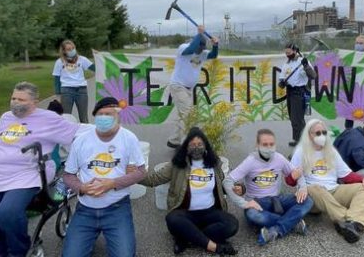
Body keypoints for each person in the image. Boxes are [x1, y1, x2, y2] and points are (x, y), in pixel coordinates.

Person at [0, 82, 81, 257]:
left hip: (28, 173)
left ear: (34, 101)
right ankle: (0, 251)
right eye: (13, 98)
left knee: (7, 213)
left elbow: (77, 135)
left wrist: (106, 140)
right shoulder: (6, 117)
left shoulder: (49, 119)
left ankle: (18, 251)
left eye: (21, 99)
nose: (15, 102)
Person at [61, 97, 146, 257]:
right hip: (86, 209)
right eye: (100, 114)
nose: (104, 117)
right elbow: (68, 175)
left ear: (118, 116)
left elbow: (141, 171)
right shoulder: (81, 141)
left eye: (109, 113)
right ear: (95, 116)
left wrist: (112, 183)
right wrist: (82, 187)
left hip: (117, 208)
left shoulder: (129, 138)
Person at [141, 127, 238, 255]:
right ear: (186, 146)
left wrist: (239, 188)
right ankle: (214, 246)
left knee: (232, 224)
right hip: (185, 213)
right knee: (172, 219)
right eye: (192, 144)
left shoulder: (214, 163)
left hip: (210, 212)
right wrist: (134, 175)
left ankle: (187, 237)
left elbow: (223, 187)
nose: (196, 147)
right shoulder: (177, 164)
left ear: (205, 145)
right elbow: (154, 179)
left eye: (199, 144)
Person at [289, 119, 364, 244]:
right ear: (309, 135)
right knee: (315, 188)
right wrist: (293, 176)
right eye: (317, 133)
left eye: (324, 132)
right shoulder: (301, 151)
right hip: (313, 197)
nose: (322, 136)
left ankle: (353, 224)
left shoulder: (331, 151)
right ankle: (356, 218)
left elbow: (346, 175)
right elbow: (290, 181)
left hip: (333, 191)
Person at [223, 129, 313, 245]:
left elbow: (297, 173)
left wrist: (302, 188)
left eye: (271, 144)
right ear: (257, 145)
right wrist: (243, 203)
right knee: (252, 215)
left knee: (308, 200)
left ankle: (276, 229)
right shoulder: (250, 161)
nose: (269, 148)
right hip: (257, 203)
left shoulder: (279, 158)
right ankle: (293, 223)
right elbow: (227, 181)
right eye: (265, 144)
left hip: (278, 200)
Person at [167, 26, 219, 148]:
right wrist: (199, 35)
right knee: (188, 115)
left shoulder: (202, 53)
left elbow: (213, 55)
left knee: (184, 115)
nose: (200, 50)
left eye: (203, 48)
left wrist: (215, 45)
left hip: (189, 89)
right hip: (178, 86)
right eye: (199, 47)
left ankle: (174, 140)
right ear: (195, 43)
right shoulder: (183, 48)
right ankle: (187, 145)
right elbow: (191, 49)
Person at [278, 43, 316, 146]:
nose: (287, 54)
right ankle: (298, 139)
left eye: (289, 52)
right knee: (293, 118)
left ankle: (303, 142)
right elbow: (282, 79)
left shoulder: (302, 61)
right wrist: (282, 83)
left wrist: (306, 66)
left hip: (300, 92)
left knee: (297, 119)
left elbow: (313, 76)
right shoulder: (286, 64)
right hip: (290, 92)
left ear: (295, 51)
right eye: (286, 53)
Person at [53, 39, 95, 123]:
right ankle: (67, 135)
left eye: (73, 48)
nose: (71, 50)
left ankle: (84, 135)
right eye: (68, 49)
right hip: (66, 90)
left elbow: (95, 68)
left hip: (81, 90)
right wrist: (58, 95)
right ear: (64, 51)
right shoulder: (59, 62)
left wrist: (97, 57)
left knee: (84, 117)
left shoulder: (82, 59)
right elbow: (56, 78)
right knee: (66, 117)